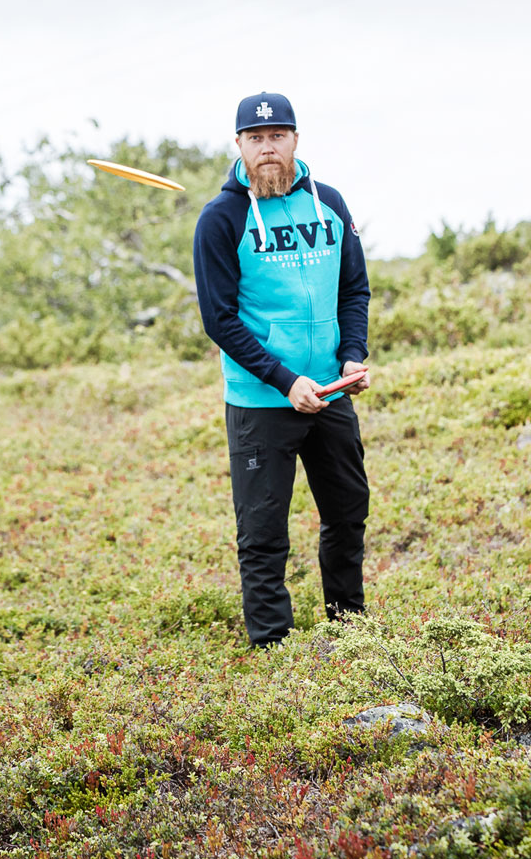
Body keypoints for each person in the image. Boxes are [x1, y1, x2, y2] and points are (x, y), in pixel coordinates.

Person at [192, 91, 373, 649]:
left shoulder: (331, 203)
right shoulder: (221, 219)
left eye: (277, 136)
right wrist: (284, 380)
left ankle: (350, 632)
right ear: (240, 145)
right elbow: (219, 320)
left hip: (331, 393)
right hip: (261, 402)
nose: (267, 148)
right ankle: (272, 646)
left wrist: (352, 354)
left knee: (347, 515)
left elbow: (354, 289)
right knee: (264, 531)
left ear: (295, 139)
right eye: (255, 139)